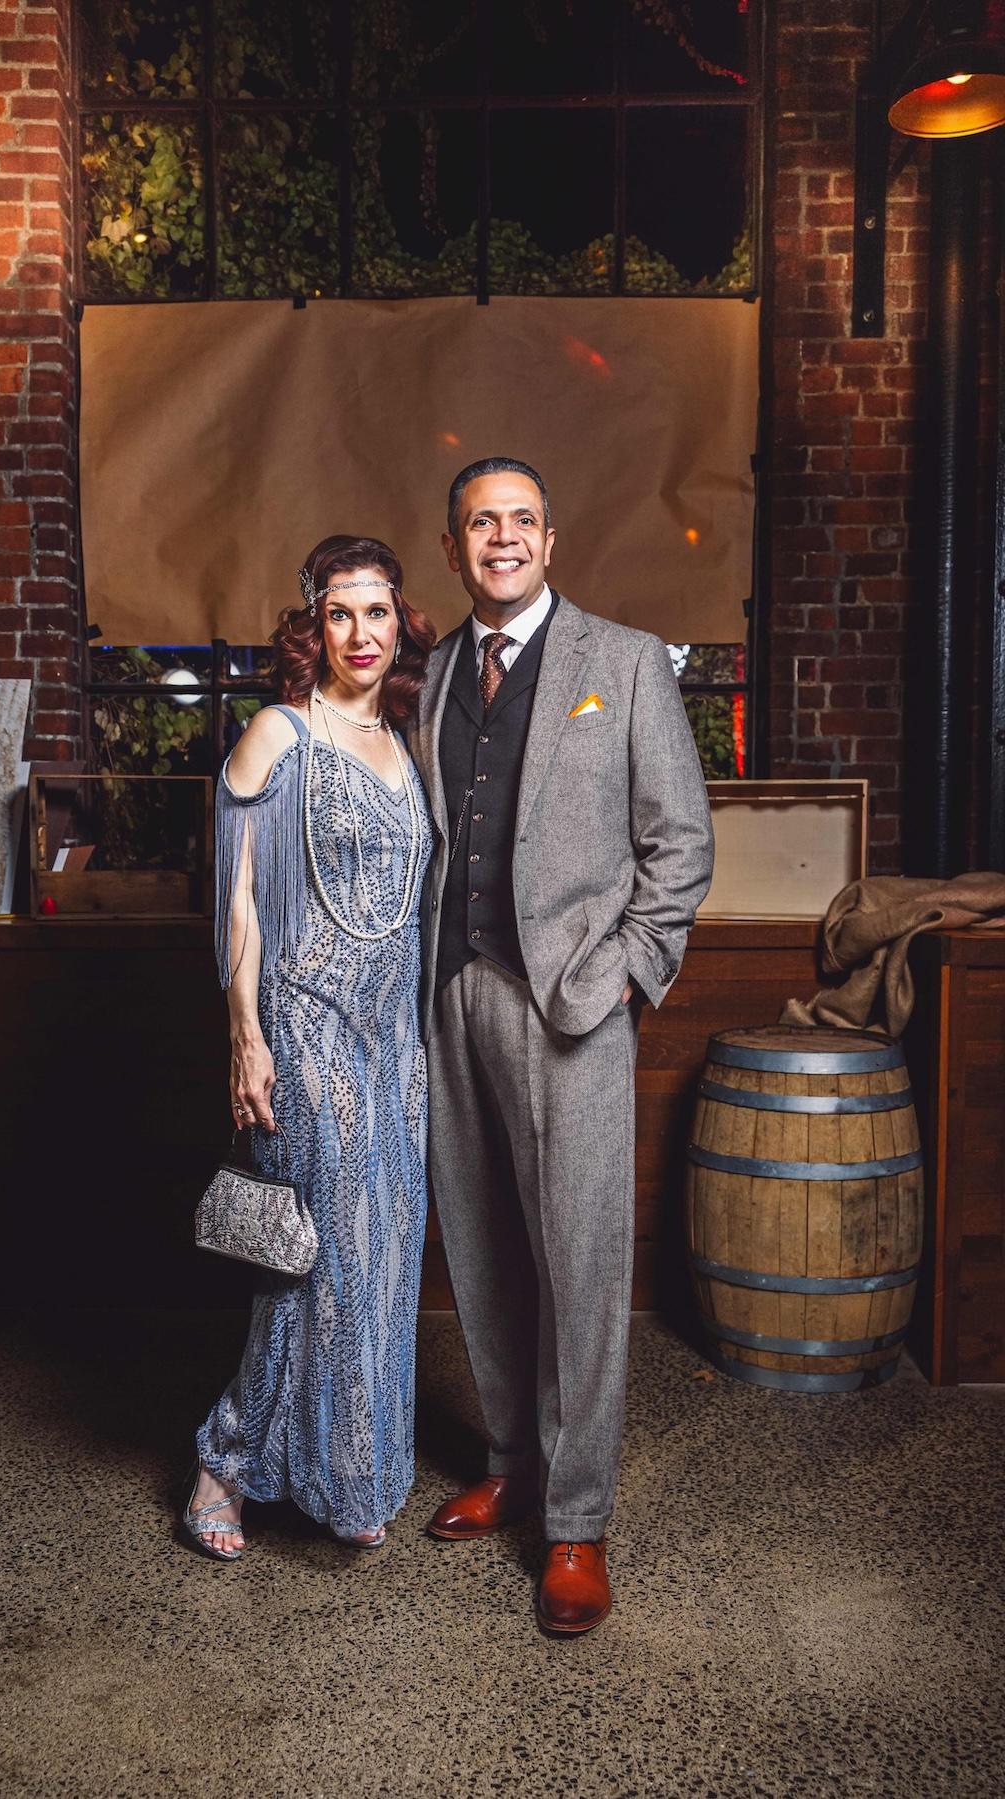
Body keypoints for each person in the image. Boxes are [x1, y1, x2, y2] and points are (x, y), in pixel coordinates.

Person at [413, 457, 714, 1634]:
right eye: (481, 522)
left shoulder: (625, 662)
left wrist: (625, 975)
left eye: (521, 520)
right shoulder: (439, 670)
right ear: (455, 547)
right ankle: (513, 1461)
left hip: (573, 1004)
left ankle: (577, 1518)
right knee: (481, 1243)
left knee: (581, 1263)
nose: (502, 537)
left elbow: (680, 846)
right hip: (454, 993)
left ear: (551, 540)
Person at [187, 535, 436, 1558]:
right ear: (314, 625)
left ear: (399, 623)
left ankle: (349, 1469)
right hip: (305, 1019)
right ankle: (225, 1460)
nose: (360, 633)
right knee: (320, 1254)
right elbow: (240, 898)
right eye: (341, 613)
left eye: (377, 613)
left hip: (394, 1032)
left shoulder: (405, 740)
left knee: (389, 1249)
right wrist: (246, 1036)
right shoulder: (279, 731)